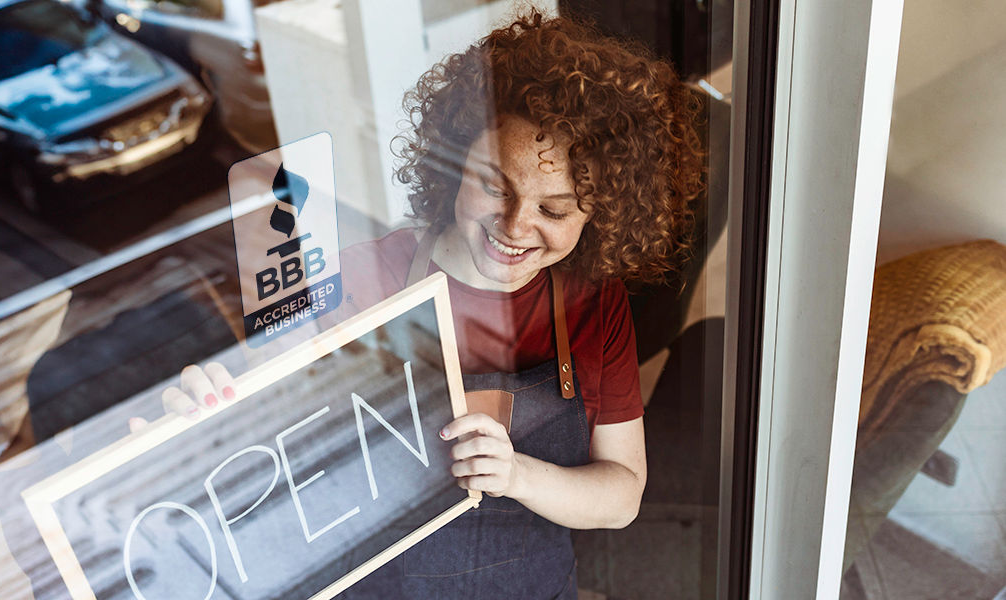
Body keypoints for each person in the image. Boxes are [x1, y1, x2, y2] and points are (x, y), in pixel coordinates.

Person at [148, 10, 704, 599]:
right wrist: (211, 415)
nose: (515, 226)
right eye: (494, 185)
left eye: (555, 210)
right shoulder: (360, 276)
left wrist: (517, 475)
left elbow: (620, 495)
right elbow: (276, 427)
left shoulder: (593, 301)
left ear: (601, 216)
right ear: (454, 162)